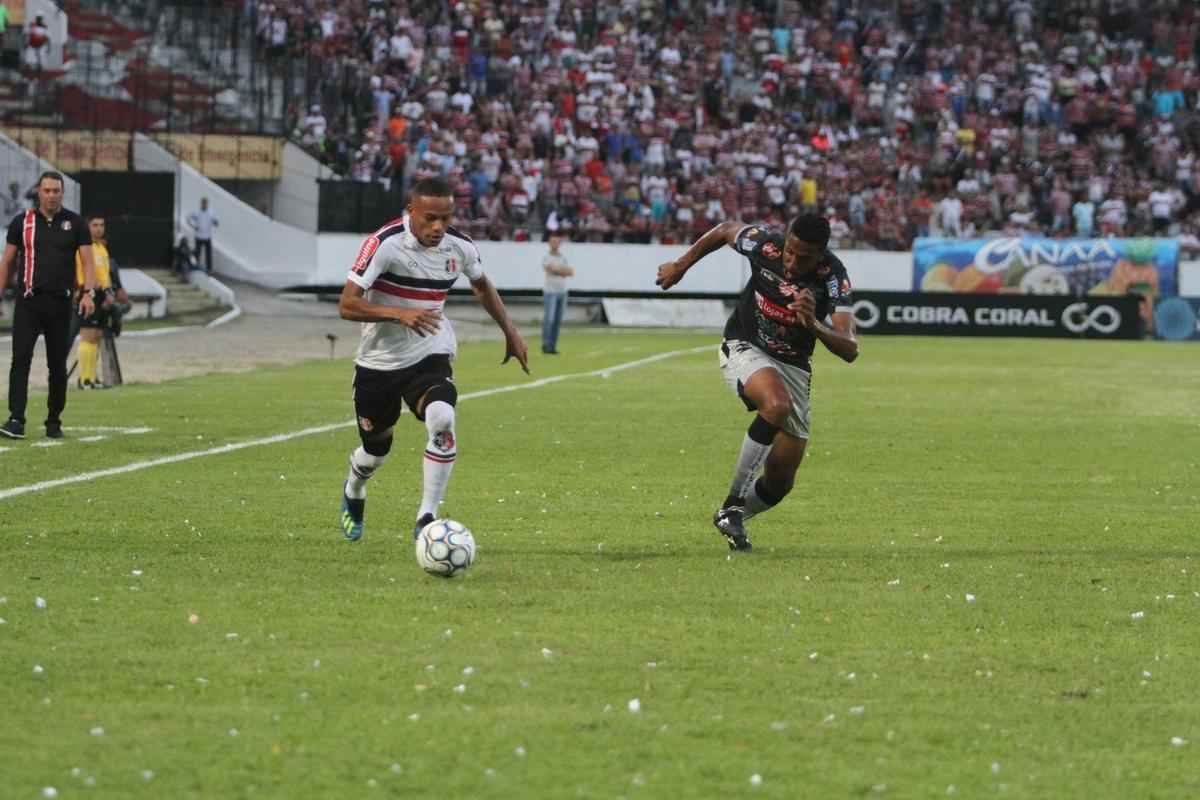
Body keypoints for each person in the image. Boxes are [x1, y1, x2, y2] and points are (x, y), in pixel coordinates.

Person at [336, 177, 530, 542]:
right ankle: (354, 489)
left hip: (430, 352)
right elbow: (347, 304)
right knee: (376, 451)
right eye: (430, 218)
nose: (438, 227)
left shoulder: (460, 247)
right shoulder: (384, 244)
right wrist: (398, 314)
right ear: (412, 211)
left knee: (442, 418)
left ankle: (427, 517)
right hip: (379, 361)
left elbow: (480, 284)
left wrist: (510, 331)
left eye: (445, 217)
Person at [655, 214, 859, 551]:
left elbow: (850, 348)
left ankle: (728, 516)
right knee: (776, 405)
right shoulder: (764, 244)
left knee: (780, 481)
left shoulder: (833, 278)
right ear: (786, 239)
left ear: (821, 254)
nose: (792, 262)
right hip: (744, 344)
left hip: (794, 366)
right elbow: (724, 230)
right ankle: (734, 503)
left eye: (803, 257)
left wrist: (813, 324)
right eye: (789, 252)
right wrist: (681, 265)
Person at [0, 171, 96, 440]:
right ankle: (16, 419)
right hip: (29, 302)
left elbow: (88, 262)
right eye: (47, 190)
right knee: (20, 360)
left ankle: (54, 419)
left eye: (57, 191)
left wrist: (88, 293)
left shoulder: (76, 223)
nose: (52, 195)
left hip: (61, 303)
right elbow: (7, 262)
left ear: (62, 193)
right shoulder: (22, 222)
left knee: (57, 364)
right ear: (38, 192)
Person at [74, 215, 116, 389]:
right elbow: (80, 272)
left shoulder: (102, 248)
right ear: (87, 227)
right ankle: (84, 379)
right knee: (87, 335)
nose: (99, 228)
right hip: (88, 292)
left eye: (102, 225)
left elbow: (105, 274)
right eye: (95, 225)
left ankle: (92, 377)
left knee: (97, 336)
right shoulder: (84, 247)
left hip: (102, 295)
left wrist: (109, 292)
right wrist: (87, 290)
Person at [541, 234, 574, 354]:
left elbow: (570, 272)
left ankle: (552, 346)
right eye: (552, 242)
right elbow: (550, 269)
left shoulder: (562, 257)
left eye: (557, 242)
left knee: (557, 320)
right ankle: (545, 344)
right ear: (549, 243)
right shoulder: (546, 257)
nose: (555, 244)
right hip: (550, 291)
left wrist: (559, 271)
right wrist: (562, 271)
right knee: (549, 319)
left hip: (562, 291)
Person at [186, 197, 219, 274]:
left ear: (207, 204)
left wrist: (215, 223)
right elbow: (188, 218)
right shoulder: (196, 212)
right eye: (203, 203)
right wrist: (194, 226)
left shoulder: (211, 213)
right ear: (201, 204)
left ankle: (209, 269)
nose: (204, 205)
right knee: (197, 253)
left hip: (207, 236)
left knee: (208, 254)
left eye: (206, 203)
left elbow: (216, 222)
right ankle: (195, 267)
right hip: (199, 236)